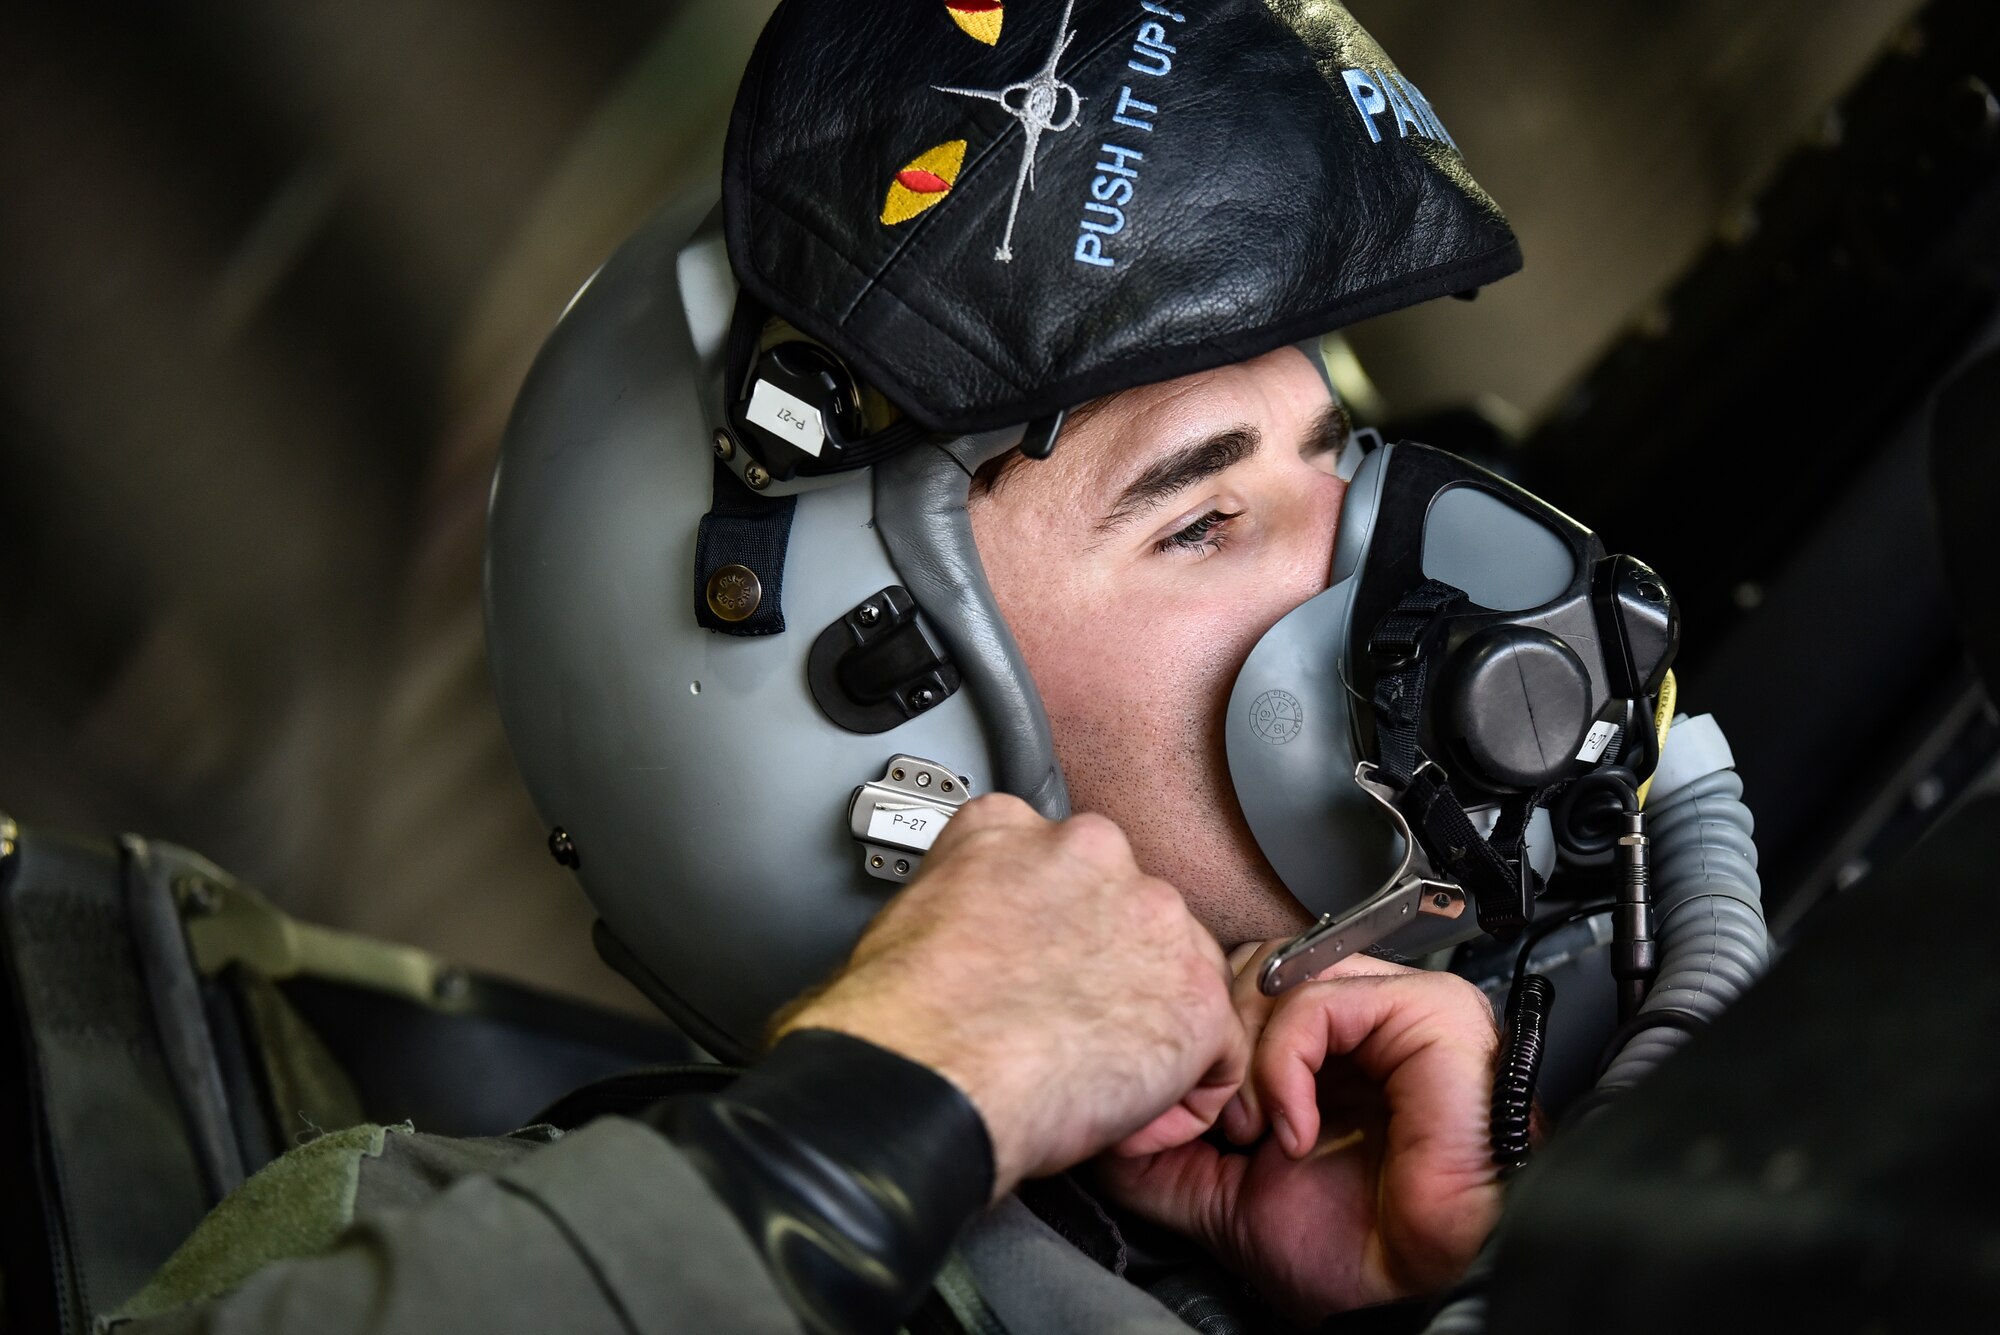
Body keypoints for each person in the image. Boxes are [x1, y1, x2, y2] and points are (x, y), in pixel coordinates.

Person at [108, 0, 1554, 1331]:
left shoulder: (1403, 1154)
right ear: (894, 766)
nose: (1383, 566)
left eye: (1341, 462)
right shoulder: (423, 1245)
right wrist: (901, 1105)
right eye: (1203, 521)